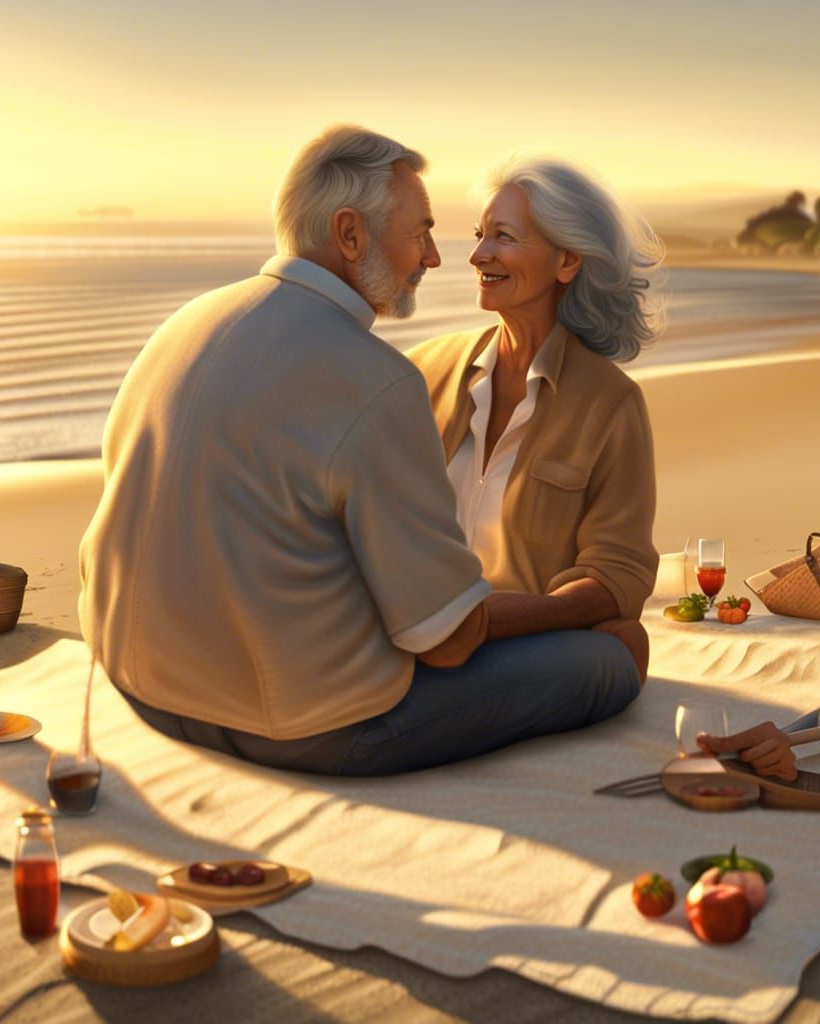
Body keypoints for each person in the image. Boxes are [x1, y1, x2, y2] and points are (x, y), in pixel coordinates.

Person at [78, 125, 644, 777]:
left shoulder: (186, 322)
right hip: (299, 726)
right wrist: (571, 608)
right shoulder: (378, 380)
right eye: (420, 232)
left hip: (136, 683)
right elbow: (447, 639)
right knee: (614, 653)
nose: (434, 257)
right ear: (350, 235)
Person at [406, 154, 660, 681]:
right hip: (405, 636)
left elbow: (618, 576)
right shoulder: (422, 371)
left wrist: (486, 623)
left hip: (522, 647)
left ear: (567, 262)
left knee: (620, 648)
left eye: (503, 236)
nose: (478, 255)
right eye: (479, 235)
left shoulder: (611, 404)